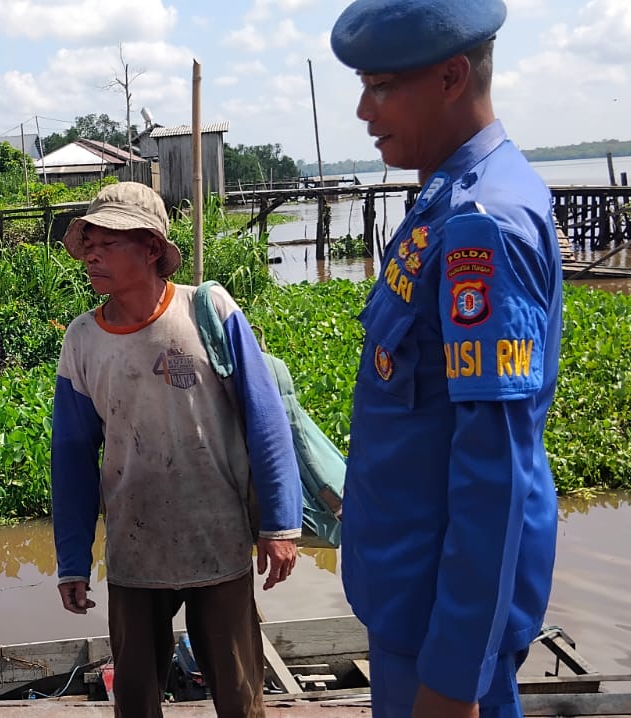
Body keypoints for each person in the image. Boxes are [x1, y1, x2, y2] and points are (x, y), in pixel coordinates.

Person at [328, 1, 563, 717]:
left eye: (382, 86)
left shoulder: (481, 227)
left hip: (441, 622)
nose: (364, 110)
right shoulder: (446, 198)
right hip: (408, 596)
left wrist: (456, 677)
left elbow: (498, 473)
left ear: (452, 76)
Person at [50, 181, 306, 718]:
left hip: (216, 538)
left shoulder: (207, 311)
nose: (92, 253)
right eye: (89, 241)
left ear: (150, 248)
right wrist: (72, 562)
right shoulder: (82, 340)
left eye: (109, 241)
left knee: (239, 695)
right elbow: (72, 458)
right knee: (137, 700)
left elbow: (266, 419)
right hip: (135, 549)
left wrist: (279, 526)